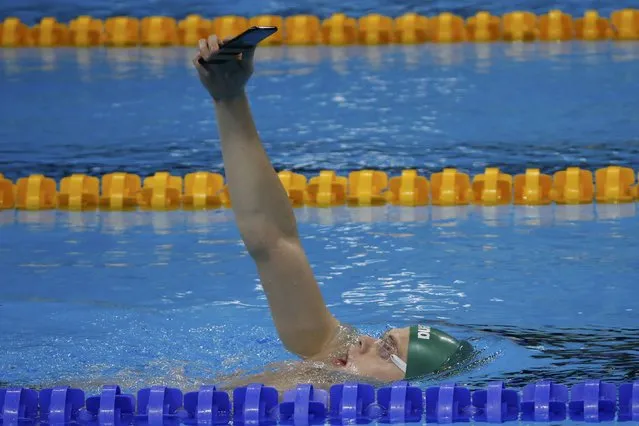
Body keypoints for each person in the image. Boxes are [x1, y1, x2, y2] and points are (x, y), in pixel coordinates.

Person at [192, 34, 472, 391]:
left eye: (385, 350)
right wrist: (229, 98)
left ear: (408, 385)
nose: (361, 342)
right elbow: (273, 241)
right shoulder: (329, 352)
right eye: (381, 338)